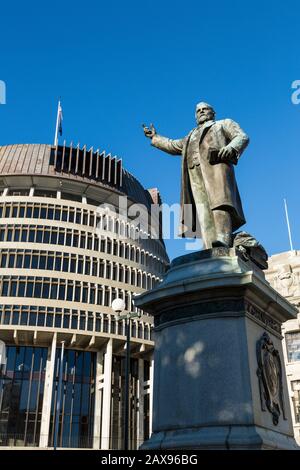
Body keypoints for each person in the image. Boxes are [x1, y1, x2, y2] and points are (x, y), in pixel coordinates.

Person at [143, 102, 249, 248]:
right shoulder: (190, 136)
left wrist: (231, 147)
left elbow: (242, 136)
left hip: (216, 170)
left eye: (205, 109)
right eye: (198, 110)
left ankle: (223, 238)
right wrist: (155, 137)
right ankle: (208, 245)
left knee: (219, 203)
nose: (201, 112)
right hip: (194, 175)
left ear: (213, 113)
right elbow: (172, 145)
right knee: (203, 210)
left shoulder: (223, 124)